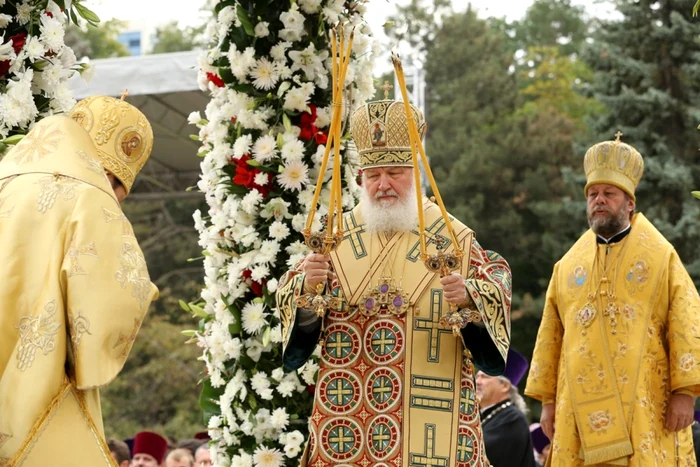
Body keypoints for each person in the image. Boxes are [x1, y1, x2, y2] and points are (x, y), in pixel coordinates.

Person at [277, 99, 512, 466]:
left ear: (416, 173)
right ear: (361, 181)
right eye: (373, 176)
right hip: (349, 420)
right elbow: (296, 341)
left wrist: (471, 298)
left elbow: (495, 287)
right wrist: (306, 289)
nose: (383, 184)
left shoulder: (454, 238)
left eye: (395, 172)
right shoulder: (332, 239)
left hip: (435, 419)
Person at [0, 94, 158, 466]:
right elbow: (107, 310)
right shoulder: (90, 198)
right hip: (33, 379)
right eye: (120, 193)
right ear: (109, 177)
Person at [525, 135, 700, 466]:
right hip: (576, 408)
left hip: (644, 404)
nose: (599, 200)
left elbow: (687, 322)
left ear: (630, 202)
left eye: (609, 193)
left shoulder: (661, 257)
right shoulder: (566, 266)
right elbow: (551, 336)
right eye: (592, 194)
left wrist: (685, 394)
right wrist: (548, 402)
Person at [477, 349, 537, 467]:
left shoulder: (513, 419)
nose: (477, 381)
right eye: (477, 376)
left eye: (484, 377)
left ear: (504, 385)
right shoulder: (480, 414)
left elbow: (485, 452)